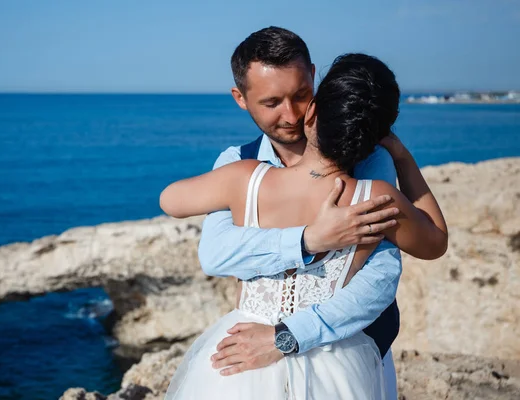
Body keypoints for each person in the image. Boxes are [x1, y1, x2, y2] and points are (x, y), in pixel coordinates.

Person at [160, 52, 447, 399]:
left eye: (300, 98)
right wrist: (401, 156)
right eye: (272, 101)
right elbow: (436, 241)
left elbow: (170, 200)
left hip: (242, 357)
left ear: (313, 110)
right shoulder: (378, 197)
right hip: (337, 365)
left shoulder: (244, 176)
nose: (291, 114)